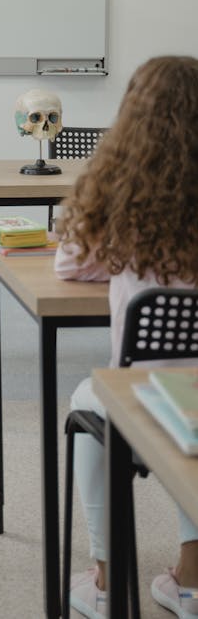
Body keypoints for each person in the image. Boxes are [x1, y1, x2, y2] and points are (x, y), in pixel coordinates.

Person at [54, 54, 198, 619]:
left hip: (142, 395)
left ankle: (108, 579)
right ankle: (190, 581)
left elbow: (69, 264)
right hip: (194, 400)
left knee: (88, 400)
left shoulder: (124, 204)